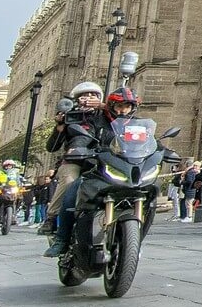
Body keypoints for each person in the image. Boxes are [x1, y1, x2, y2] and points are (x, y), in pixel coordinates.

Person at [44, 88, 140, 256]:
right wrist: (67, 136)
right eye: (119, 106)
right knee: (72, 186)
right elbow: (83, 137)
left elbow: (146, 140)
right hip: (85, 163)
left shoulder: (133, 123)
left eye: (127, 106)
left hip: (119, 166)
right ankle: (60, 236)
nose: (123, 110)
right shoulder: (93, 120)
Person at [39, 81, 104, 237]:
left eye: (92, 95)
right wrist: (59, 127)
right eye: (84, 96)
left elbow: (123, 115)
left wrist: (102, 106)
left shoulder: (105, 116)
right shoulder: (71, 117)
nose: (88, 98)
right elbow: (52, 147)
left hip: (102, 159)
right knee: (69, 181)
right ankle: (51, 217)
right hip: (74, 160)